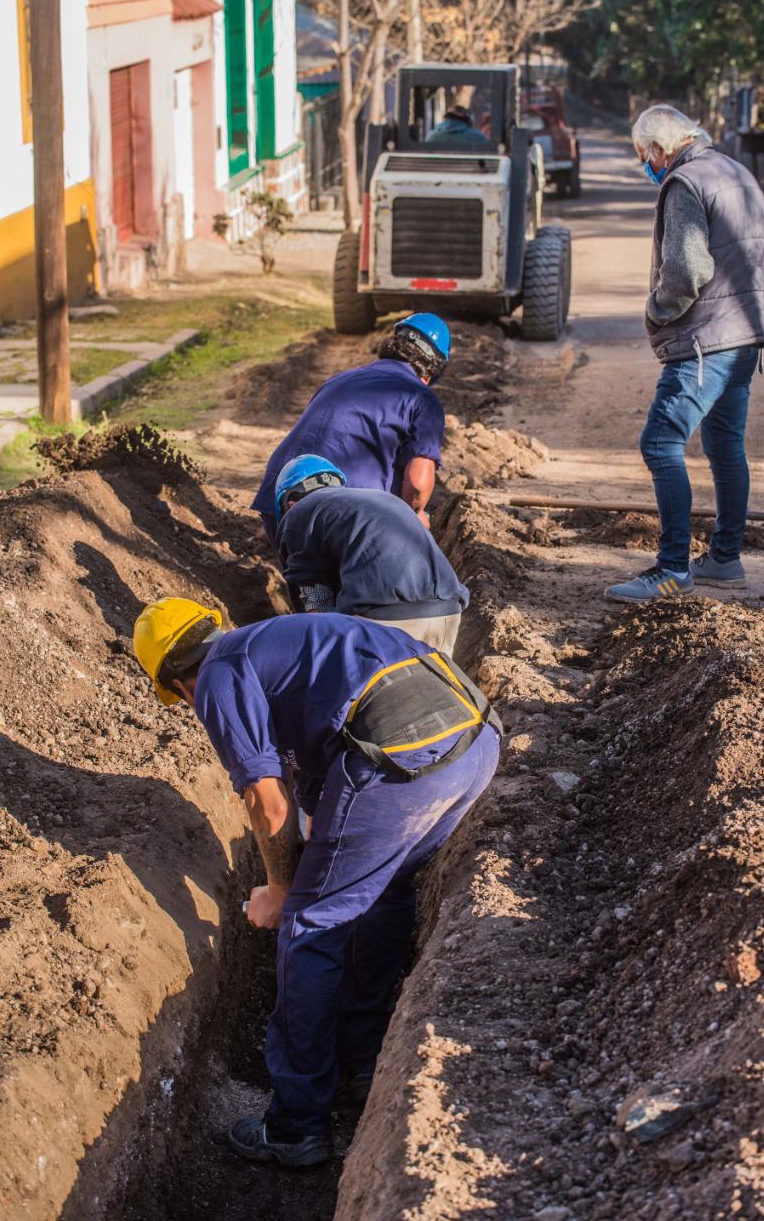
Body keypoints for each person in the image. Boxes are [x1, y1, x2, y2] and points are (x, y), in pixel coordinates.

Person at [132, 598, 500, 1168]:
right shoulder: (278, 645)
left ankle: (295, 1124)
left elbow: (267, 801)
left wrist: (282, 889)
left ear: (176, 682)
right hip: (473, 743)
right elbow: (310, 769)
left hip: (402, 758)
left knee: (310, 926)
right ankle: (362, 1062)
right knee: (386, 889)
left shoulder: (217, 676)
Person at [605, 104, 764, 605]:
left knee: (659, 442)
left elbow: (685, 270)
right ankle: (725, 557)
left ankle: (673, 567)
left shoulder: (685, 183)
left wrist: (657, 312)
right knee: (725, 447)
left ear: (659, 148)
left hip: (704, 342)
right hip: (744, 336)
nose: (645, 165)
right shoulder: (738, 173)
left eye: (643, 155)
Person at [252, 314, 450, 548]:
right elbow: (417, 482)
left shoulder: (338, 380)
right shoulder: (423, 399)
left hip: (278, 508)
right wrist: (413, 517)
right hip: (343, 520)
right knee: (380, 571)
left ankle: (309, 578)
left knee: (309, 571)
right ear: (432, 372)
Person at [271, 454, 469, 656]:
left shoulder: (298, 514)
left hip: (385, 619)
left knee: (353, 683)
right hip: (448, 611)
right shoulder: (379, 500)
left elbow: (312, 597)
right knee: (433, 686)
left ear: (290, 503)